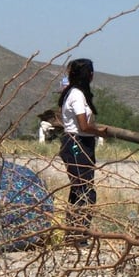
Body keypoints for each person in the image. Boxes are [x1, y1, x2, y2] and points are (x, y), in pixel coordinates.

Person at [58, 58, 107, 240]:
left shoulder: (75, 93)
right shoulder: (77, 94)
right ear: (90, 75)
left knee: (78, 188)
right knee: (85, 190)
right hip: (76, 143)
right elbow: (83, 126)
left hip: (80, 143)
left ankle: (73, 233)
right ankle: (80, 235)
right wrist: (100, 132)